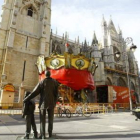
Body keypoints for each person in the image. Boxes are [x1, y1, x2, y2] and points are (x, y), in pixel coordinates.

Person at [23, 70, 59, 139]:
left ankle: (43, 135)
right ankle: (50, 134)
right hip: (51, 104)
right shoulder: (55, 82)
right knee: (51, 119)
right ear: (50, 74)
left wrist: (26, 99)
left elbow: (34, 92)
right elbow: (56, 94)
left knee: (42, 120)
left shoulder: (42, 82)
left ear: (45, 75)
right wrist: (54, 103)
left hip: (43, 104)